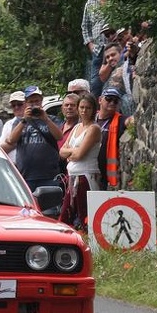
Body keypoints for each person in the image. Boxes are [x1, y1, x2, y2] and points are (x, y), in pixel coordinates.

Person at [6, 86, 63, 191]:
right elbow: (11, 140)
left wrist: (45, 119)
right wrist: (24, 120)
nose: (34, 104)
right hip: (26, 176)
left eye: (37, 101)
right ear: (26, 103)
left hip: (49, 176)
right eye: (31, 102)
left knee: (50, 207)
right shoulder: (19, 121)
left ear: (41, 101)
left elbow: (59, 136)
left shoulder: (52, 119)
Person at [58, 94, 102, 231]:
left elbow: (79, 155)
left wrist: (71, 152)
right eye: (82, 107)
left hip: (85, 176)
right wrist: (74, 150)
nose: (84, 111)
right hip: (72, 175)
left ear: (94, 110)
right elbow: (61, 152)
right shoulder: (76, 127)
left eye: (88, 108)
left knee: (86, 217)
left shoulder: (94, 128)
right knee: (66, 216)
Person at [96, 88, 131, 189]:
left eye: (115, 101)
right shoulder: (91, 117)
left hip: (106, 177)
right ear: (100, 100)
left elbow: (131, 121)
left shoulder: (120, 120)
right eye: (108, 99)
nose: (112, 102)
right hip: (90, 172)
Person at [81, 0, 110, 84]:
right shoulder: (90, 3)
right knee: (95, 83)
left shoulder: (116, 1)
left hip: (114, 47)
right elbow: (85, 26)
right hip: (98, 49)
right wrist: (90, 44)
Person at [0, 90, 26, 162]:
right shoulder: (8, 124)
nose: (16, 107)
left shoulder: (34, 122)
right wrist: (17, 141)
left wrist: (11, 141)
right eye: (13, 105)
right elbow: (1, 149)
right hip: (13, 165)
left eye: (20, 104)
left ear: (26, 104)